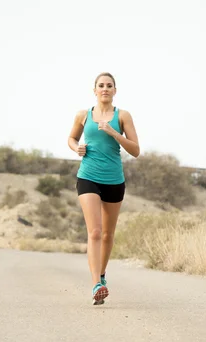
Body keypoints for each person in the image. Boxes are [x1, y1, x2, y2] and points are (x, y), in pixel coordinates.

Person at [67, 72, 140, 305]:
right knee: (95, 232)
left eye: (109, 86)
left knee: (108, 234)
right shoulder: (83, 115)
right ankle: (95, 284)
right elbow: (71, 138)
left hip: (114, 180)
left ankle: (101, 274)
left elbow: (136, 150)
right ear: (94, 90)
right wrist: (76, 148)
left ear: (115, 91)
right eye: (101, 85)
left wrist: (113, 132)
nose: (105, 89)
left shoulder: (123, 116)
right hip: (88, 176)